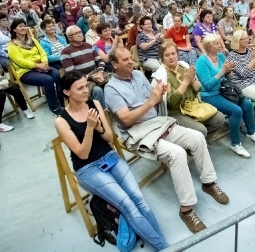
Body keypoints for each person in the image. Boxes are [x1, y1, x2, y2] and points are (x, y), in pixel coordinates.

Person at [105, 46, 229, 233]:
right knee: (177, 153)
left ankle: (208, 183)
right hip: (137, 132)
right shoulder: (111, 89)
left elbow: (154, 97)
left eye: (131, 58)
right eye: (125, 60)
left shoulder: (138, 76)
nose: (131, 61)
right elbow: (127, 119)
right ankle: (186, 210)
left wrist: (161, 92)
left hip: (157, 122)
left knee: (196, 137)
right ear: (114, 64)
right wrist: (151, 102)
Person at [54, 71, 168, 251]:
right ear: (67, 92)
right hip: (88, 168)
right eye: (80, 88)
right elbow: (82, 154)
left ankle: (162, 244)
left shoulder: (95, 104)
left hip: (109, 156)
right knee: (127, 205)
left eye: (86, 86)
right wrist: (90, 128)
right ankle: (164, 247)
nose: (86, 91)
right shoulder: (61, 121)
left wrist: (98, 127)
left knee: (138, 198)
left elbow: (108, 137)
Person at [196, 34, 255, 157]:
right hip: (210, 95)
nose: (220, 45)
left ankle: (251, 132)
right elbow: (207, 85)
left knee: (247, 104)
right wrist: (223, 71)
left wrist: (229, 72)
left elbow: (229, 78)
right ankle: (235, 144)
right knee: (236, 111)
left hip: (224, 89)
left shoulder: (221, 56)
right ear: (209, 45)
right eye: (217, 43)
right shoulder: (201, 61)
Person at [157, 42, 225, 138]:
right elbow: (171, 102)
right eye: (167, 55)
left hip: (193, 105)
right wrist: (185, 82)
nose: (171, 57)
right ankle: (195, 143)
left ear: (177, 54)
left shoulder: (184, 66)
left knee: (220, 118)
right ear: (162, 58)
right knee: (201, 130)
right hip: (177, 111)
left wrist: (192, 79)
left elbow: (198, 88)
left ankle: (200, 141)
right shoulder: (161, 75)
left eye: (173, 53)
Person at [8, 19, 64, 115]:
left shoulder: (32, 40)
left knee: (57, 74)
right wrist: (37, 65)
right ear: (14, 30)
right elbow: (21, 62)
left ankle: (62, 101)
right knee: (48, 80)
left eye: (24, 25)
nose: (23, 28)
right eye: (20, 26)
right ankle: (54, 108)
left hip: (41, 66)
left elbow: (42, 52)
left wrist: (45, 63)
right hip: (26, 71)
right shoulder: (12, 46)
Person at [60, 25, 106, 108]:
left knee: (113, 81)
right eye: (76, 33)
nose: (79, 34)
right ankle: (103, 115)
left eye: (80, 32)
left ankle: (116, 110)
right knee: (97, 90)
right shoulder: (65, 52)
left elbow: (100, 61)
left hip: (96, 74)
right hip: (81, 81)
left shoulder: (88, 46)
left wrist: (100, 72)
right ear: (69, 37)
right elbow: (72, 74)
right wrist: (91, 77)